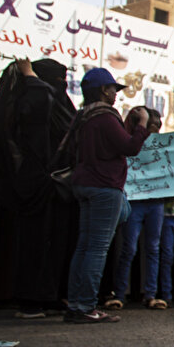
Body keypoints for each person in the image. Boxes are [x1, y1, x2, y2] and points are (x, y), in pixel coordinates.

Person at [64, 68, 150, 323]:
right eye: (114, 89)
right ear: (104, 90)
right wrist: (142, 124)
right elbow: (130, 147)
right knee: (98, 249)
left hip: (84, 184)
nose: (116, 94)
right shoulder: (104, 116)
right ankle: (87, 306)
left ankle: (76, 305)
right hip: (104, 186)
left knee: (84, 247)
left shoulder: (84, 116)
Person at [0, 58, 76, 317]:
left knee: (57, 242)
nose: (61, 86)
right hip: (34, 185)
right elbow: (39, 104)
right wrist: (30, 77)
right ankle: (30, 298)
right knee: (33, 243)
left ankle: (49, 295)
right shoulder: (33, 100)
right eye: (56, 80)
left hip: (57, 187)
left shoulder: (58, 105)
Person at [111, 108, 166, 309]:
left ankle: (150, 294)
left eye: (159, 122)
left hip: (155, 202)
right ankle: (120, 293)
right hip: (135, 201)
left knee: (152, 248)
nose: (158, 125)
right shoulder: (132, 140)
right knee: (129, 248)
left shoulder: (164, 144)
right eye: (154, 122)